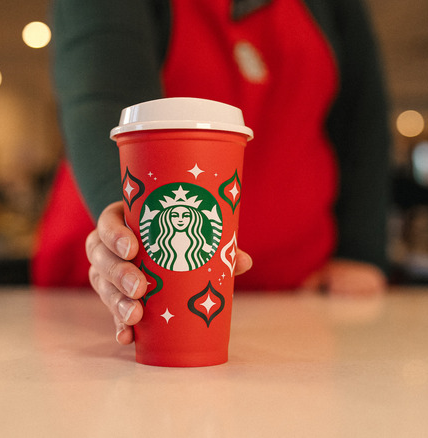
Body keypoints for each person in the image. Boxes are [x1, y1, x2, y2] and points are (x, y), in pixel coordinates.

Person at [33, 0, 392, 344]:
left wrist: (360, 250)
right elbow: (105, 93)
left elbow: (362, 120)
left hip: (295, 297)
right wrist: (127, 231)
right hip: (122, 288)